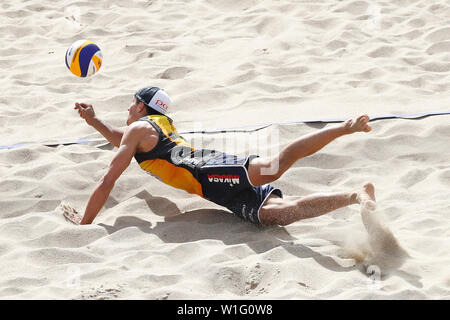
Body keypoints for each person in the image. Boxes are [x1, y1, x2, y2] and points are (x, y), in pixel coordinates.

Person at [66, 86, 375, 227]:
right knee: (279, 214)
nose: (128, 110)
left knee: (273, 168)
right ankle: (354, 196)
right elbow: (120, 139)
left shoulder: (139, 130)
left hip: (209, 170)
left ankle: (343, 128)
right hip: (213, 188)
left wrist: (85, 221)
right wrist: (93, 120)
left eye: (131, 104)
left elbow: (108, 179)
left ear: (142, 107)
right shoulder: (154, 126)